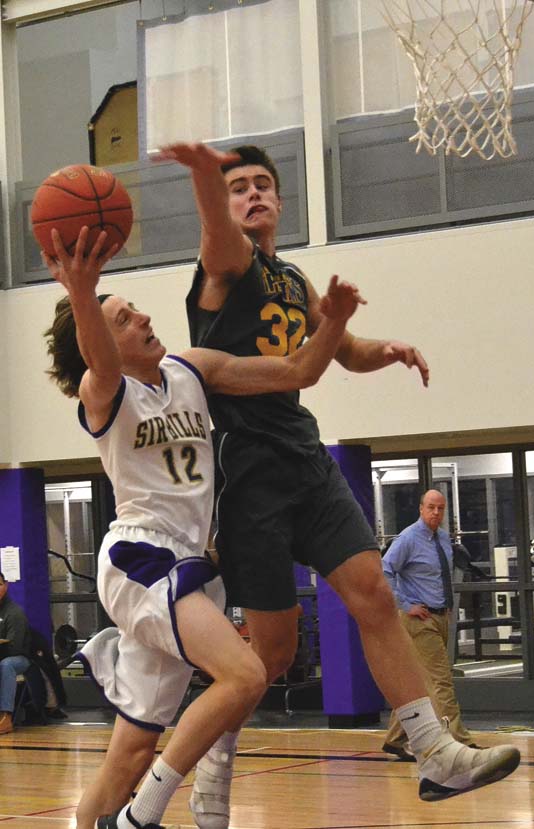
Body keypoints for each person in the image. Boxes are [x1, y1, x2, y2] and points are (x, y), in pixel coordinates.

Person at [154, 141, 521, 821]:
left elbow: (342, 349)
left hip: (305, 457)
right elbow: (215, 227)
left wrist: (388, 349)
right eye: (239, 187)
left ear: (281, 199)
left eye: (262, 184)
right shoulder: (225, 264)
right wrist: (205, 171)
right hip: (248, 473)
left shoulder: (293, 280)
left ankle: (434, 752)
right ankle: (214, 763)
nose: (253, 193)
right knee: (271, 654)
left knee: (373, 592)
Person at [43, 225, 362, 829]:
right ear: (98, 342)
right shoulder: (103, 392)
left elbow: (295, 370)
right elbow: (101, 358)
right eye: (123, 319)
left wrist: (335, 323)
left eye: (136, 309)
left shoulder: (190, 369)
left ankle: (113, 816)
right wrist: (82, 293)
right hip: (140, 560)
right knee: (244, 674)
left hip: (187, 565)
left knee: (130, 753)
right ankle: (142, 817)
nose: (142, 318)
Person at [381, 489, 476, 761]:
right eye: (431, 507)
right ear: (421, 508)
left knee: (418, 683)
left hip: (440, 616)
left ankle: (395, 738)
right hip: (419, 620)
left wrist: (446, 608)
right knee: (441, 681)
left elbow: (441, 576)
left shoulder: (443, 538)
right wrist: (405, 604)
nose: (436, 512)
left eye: (440, 508)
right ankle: (459, 742)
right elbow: (385, 570)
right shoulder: (408, 538)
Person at [0, 572, 32, 734]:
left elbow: (15, 647)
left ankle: (6, 717)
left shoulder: (14, 612)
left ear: (6, 586)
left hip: (20, 658)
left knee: (6, 665)